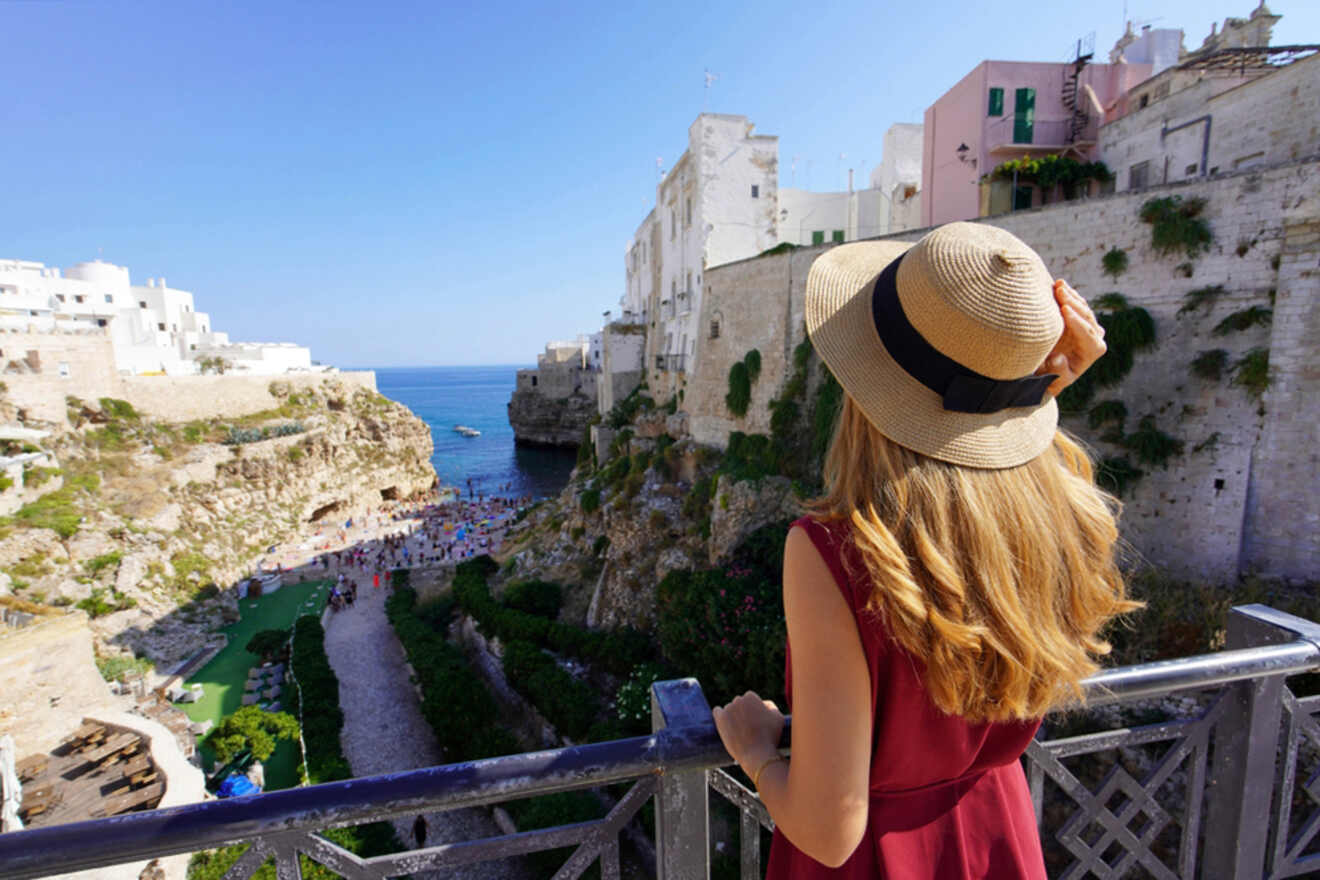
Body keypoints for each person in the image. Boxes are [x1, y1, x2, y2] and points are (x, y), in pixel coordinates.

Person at [712, 223, 1139, 878]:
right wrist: (1032, 391)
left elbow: (830, 831)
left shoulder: (833, 554)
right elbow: (982, 479)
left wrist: (757, 751)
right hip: (997, 834)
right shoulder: (1064, 517)